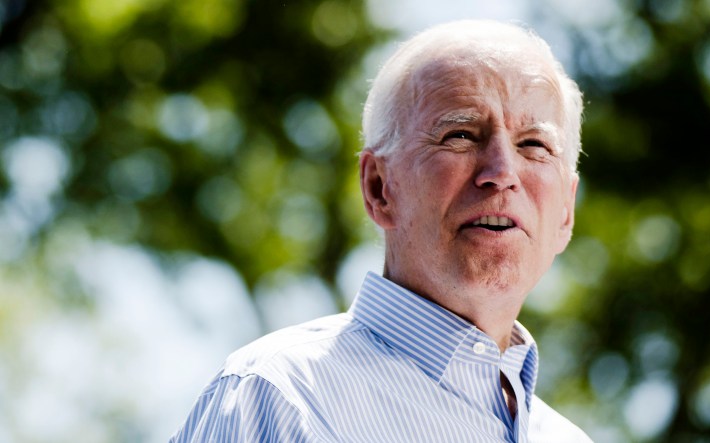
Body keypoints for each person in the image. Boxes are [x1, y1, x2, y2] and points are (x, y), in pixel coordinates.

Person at [171, 19, 591, 442]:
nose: (501, 172)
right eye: (460, 135)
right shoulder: (279, 397)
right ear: (378, 187)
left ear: (565, 212)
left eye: (534, 145)